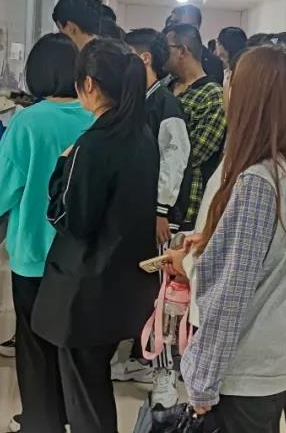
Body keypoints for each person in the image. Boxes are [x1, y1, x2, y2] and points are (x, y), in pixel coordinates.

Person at [167, 46, 286, 432]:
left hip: (245, 367)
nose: (226, 88)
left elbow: (231, 292)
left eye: (232, 80)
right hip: (276, 357)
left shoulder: (258, 181)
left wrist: (203, 380)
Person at [33, 38, 160, 433]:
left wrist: (62, 167)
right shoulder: (141, 135)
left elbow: (72, 219)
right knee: (93, 384)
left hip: (85, 289)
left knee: (85, 396)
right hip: (121, 283)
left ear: (88, 84)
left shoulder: (93, 144)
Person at [0, 33, 95, 432]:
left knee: (34, 345)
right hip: (84, 256)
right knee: (76, 345)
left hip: (34, 254)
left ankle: (40, 421)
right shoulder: (98, 118)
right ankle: (71, 415)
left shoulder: (28, 122)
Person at [116, 28, 191, 407]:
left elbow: (175, 161)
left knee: (161, 296)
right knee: (140, 290)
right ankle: (137, 359)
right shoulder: (137, 101)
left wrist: (161, 208)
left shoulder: (165, 105)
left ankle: (165, 374)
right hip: (138, 213)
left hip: (160, 217)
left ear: (143, 58)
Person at [163, 23, 227, 233]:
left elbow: (194, 153)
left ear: (182, 51)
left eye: (165, 48)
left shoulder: (212, 96)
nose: (160, 54)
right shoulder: (166, 86)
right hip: (155, 197)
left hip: (185, 205)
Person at [172, 4, 225, 84]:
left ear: (194, 27)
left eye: (176, 23)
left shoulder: (212, 63)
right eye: (171, 23)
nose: (171, 27)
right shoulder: (166, 56)